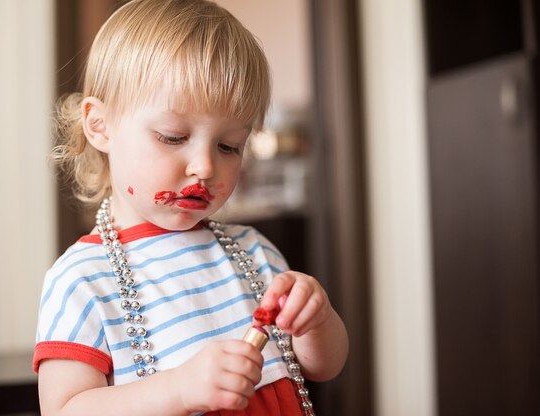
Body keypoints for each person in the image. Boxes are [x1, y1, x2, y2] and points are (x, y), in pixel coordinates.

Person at [33, 0, 349, 415]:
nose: (204, 166)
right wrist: (177, 390)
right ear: (100, 125)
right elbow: (65, 409)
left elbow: (323, 367)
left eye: (228, 146)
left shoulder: (254, 252)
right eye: (172, 136)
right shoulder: (80, 279)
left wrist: (317, 320)